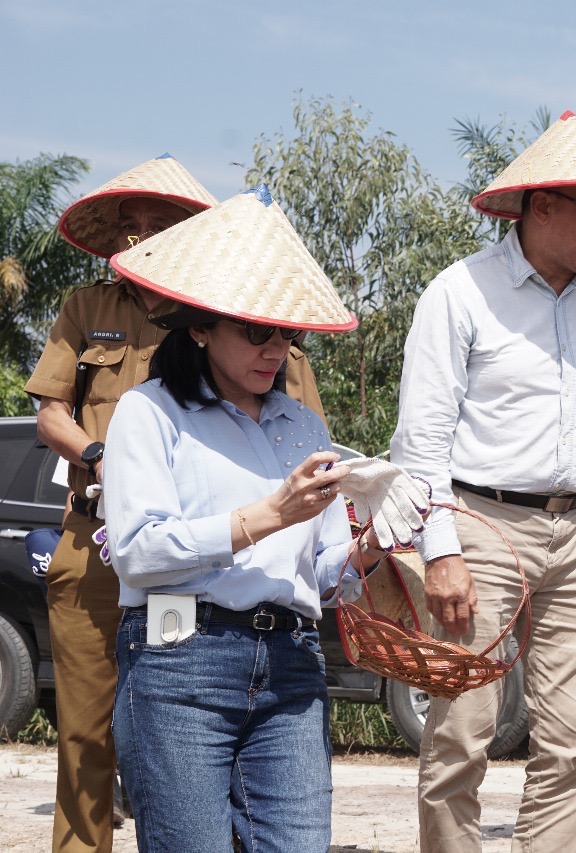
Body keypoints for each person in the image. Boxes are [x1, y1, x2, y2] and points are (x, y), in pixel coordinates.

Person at [390, 110, 576, 853]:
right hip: (481, 525)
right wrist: (442, 548)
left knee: (575, 738)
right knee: (461, 732)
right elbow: (421, 441)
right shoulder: (459, 293)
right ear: (540, 203)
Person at [22, 154, 324, 853]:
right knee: (84, 729)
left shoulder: (246, 316)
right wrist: (100, 459)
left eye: (161, 224)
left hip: (221, 570)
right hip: (102, 541)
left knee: (189, 733)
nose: (139, 237)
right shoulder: (88, 307)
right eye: (130, 226)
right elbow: (49, 414)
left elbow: (305, 440)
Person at [101, 185, 405, 850]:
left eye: (287, 332)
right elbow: (137, 551)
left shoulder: (303, 423)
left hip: (292, 662)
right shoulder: (150, 414)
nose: (275, 348)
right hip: (179, 658)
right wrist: (266, 515)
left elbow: (323, 573)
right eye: (256, 330)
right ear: (202, 325)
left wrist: (374, 542)